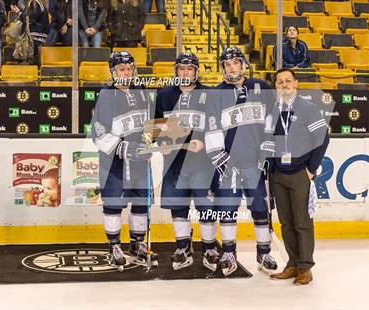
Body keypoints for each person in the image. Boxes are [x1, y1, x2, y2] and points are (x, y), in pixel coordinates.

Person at [204, 46, 277, 276]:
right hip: (229, 163)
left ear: (243, 64)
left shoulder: (262, 87)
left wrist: (268, 145)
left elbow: (272, 118)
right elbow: (212, 126)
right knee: (227, 208)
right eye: (227, 64)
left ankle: (263, 253)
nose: (231, 67)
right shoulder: (216, 94)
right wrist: (218, 155)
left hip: (255, 162)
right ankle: (228, 251)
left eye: (235, 63)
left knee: (259, 208)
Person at [90, 51, 158, 271]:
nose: (126, 73)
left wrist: (149, 141)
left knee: (140, 202)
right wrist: (126, 148)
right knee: (113, 203)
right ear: (114, 72)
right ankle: (114, 246)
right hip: (114, 162)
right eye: (122, 69)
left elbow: (148, 123)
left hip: (139, 160)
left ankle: (137, 244)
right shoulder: (106, 95)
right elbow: (98, 132)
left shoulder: (141, 92)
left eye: (129, 69)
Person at [155, 53, 220, 272]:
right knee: (178, 206)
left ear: (196, 71)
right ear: (176, 72)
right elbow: (157, 128)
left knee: (206, 206)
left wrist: (204, 140)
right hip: (174, 163)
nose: (185, 73)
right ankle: (183, 246)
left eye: (190, 69)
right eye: (181, 69)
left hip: (202, 162)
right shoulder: (164, 95)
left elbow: (216, 126)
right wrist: (161, 142)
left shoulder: (209, 94)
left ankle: (210, 247)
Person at [268, 68, 329, 285]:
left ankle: (305, 267)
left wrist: (311, 169)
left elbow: (322, 139)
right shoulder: (274, 109)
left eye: (287, 81)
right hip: (278, 175)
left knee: (302, 222)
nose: (283, 85)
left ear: (296, 84)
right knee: (286, 222)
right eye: (279, 82)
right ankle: (292, 263)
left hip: (299, 174)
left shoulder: (307, 108)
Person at [10, 0, 49, 64]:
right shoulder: (34, 3)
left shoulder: (35, 3)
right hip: (36, 36)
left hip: (35, 37)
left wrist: (18, 12)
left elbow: (30, 20)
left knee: (31, 61)